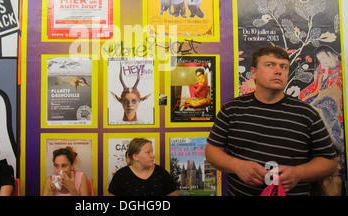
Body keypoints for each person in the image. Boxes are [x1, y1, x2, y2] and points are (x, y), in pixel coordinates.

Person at [205, 46, 338, 196]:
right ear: (254, 73)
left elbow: (329, 161)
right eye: (270, 65)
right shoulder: (232, 109)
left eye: (284, 67)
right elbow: (212, 151)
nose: (278, 71)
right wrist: (237, 166)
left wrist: (298, 173)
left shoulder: (307, 114)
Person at [108, 138, 178, 196]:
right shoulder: (120, 176)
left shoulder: (161, 173)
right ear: (135, 156)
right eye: (148, 152)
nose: (153, 155)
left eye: (152, 152)